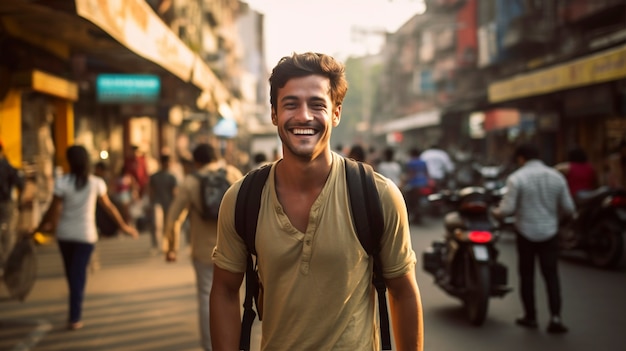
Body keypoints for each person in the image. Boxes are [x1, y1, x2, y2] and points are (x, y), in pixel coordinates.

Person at [210, 52, 423, 350]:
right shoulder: (242, 198)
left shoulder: (378, 195)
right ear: (274, 114)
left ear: (336, 113)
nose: (304, 116)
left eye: (317, 104)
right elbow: (224, 290)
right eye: (291, 104)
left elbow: (403, 292)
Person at [35, 145, 138, 330]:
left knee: (73, 275)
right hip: (85, 236)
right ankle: (75, 315)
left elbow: (52, 209)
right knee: (76, 275)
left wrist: (39, 228)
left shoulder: (63, 182)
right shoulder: (95, 183)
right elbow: (110, 208)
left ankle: (75, 316)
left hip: (65, 235)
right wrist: (124, 226)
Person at [163, 143, 243, 351]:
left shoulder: (190, 182)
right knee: (235, 296)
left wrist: (171, 247)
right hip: (234, 249)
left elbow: (174, 217)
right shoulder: (232, 173)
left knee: (207, 297)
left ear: (196, 162)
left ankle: (211, 346)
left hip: (203, 250)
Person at [492, 143, 575, 334]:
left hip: (526, 233)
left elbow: (507, 210)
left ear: (521, 158)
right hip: (550, 233)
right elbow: (569, 208)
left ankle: (531, 317)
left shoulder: (517, 178)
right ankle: (556, 318)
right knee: (551, 276)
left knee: (527, 277)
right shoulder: (556, 177)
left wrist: (496, 213)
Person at [0, 140, 25, 271]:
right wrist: (19, 202)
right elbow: (21, 183)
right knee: (8, 233)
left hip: (6, 204)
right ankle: (7, 264)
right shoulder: (7, 166)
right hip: (6, 204)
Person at [148, 154, 178, 254]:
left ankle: (168, 246)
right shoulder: (154, 176)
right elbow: (151, 190)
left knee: (168, 225)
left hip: (169, 203)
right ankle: (156, 245)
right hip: (158, 202)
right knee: (157, 224)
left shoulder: (172, 177)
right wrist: (150, 203)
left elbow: (174, 191)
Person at [402, 147, 431, 224]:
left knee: (408, 199)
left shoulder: (410, 163)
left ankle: (411, 213)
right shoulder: (423, 162)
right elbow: (426, 173)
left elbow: (410, 174)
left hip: (413, 184)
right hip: (424, 184)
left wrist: (404, 182)